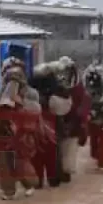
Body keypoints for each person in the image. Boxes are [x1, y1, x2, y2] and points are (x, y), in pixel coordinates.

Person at [0, 57, 41, 198]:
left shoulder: (30, 93)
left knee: (20, 159)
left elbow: (35, 111)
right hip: (3, 129)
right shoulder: (0, 92)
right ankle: (9, 190)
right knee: (5, 160)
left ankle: (29, 183)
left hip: (21, 131)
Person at [28, 60, 73, 188]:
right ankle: (53, 179)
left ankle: (38, 180)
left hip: (36, 122)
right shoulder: (58, 90)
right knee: (53, 151)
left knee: (37, 152)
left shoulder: (31, 90)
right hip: (52, 121)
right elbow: (66, 106)